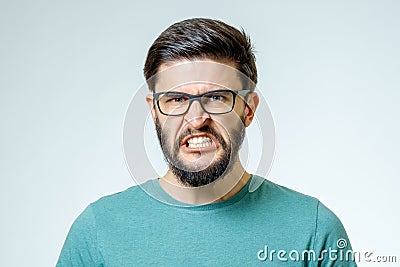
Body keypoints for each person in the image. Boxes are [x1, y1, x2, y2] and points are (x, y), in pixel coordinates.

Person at [57, 18, 357, 266]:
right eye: (176, 99)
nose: (196, 118)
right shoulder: (98, 230)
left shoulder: (313, 230)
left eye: (216, 98)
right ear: (154, 111)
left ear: (248, 109)